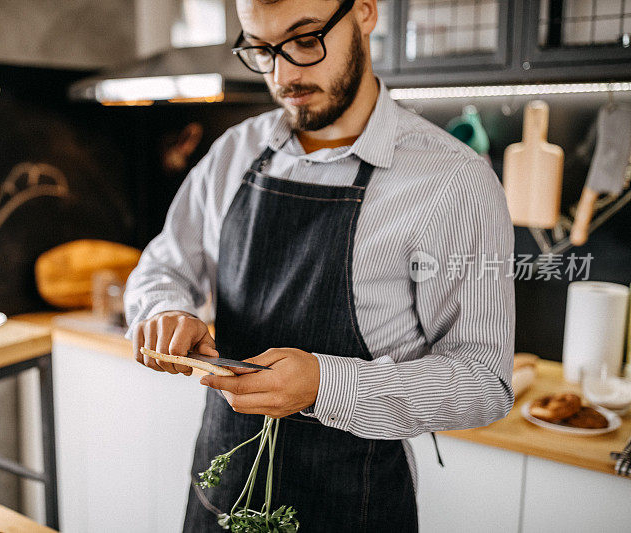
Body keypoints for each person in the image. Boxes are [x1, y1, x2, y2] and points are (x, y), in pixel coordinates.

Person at [123, 0, 515, 530]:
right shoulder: (234, 153)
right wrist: (164, 309)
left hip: (357, 507)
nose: (283, 76)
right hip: (221, 497)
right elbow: (162, 267)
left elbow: (484, 381)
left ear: (366, 13)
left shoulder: (454, 184)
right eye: (261, 50)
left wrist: (324, 385)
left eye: (306, 40)